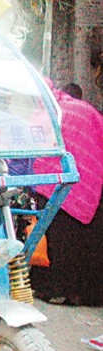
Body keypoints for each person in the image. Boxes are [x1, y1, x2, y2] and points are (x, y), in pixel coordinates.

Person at [29, 81, 103, 306]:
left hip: (60, 181)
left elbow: (38, 150)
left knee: (60, 238)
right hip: (93, 181)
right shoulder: (80, 108)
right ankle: (89, 295)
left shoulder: (47, 112)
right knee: (90, 241)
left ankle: (57, 290)